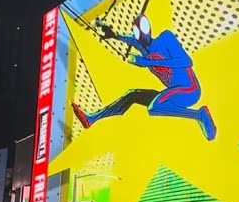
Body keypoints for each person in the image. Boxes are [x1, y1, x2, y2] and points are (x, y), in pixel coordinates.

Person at [71, 14, 217, 141]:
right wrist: (113, 35)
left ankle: (199, 115)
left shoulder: (165, 38)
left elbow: (186, 61)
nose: (142, 34)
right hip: (173, 93)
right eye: (137, 31)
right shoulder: (143, 49)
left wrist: (147, 62)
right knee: (133, 95)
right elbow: (130, 39)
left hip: (189, 90)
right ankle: (92, 119)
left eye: (144, 27)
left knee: (156, 106)